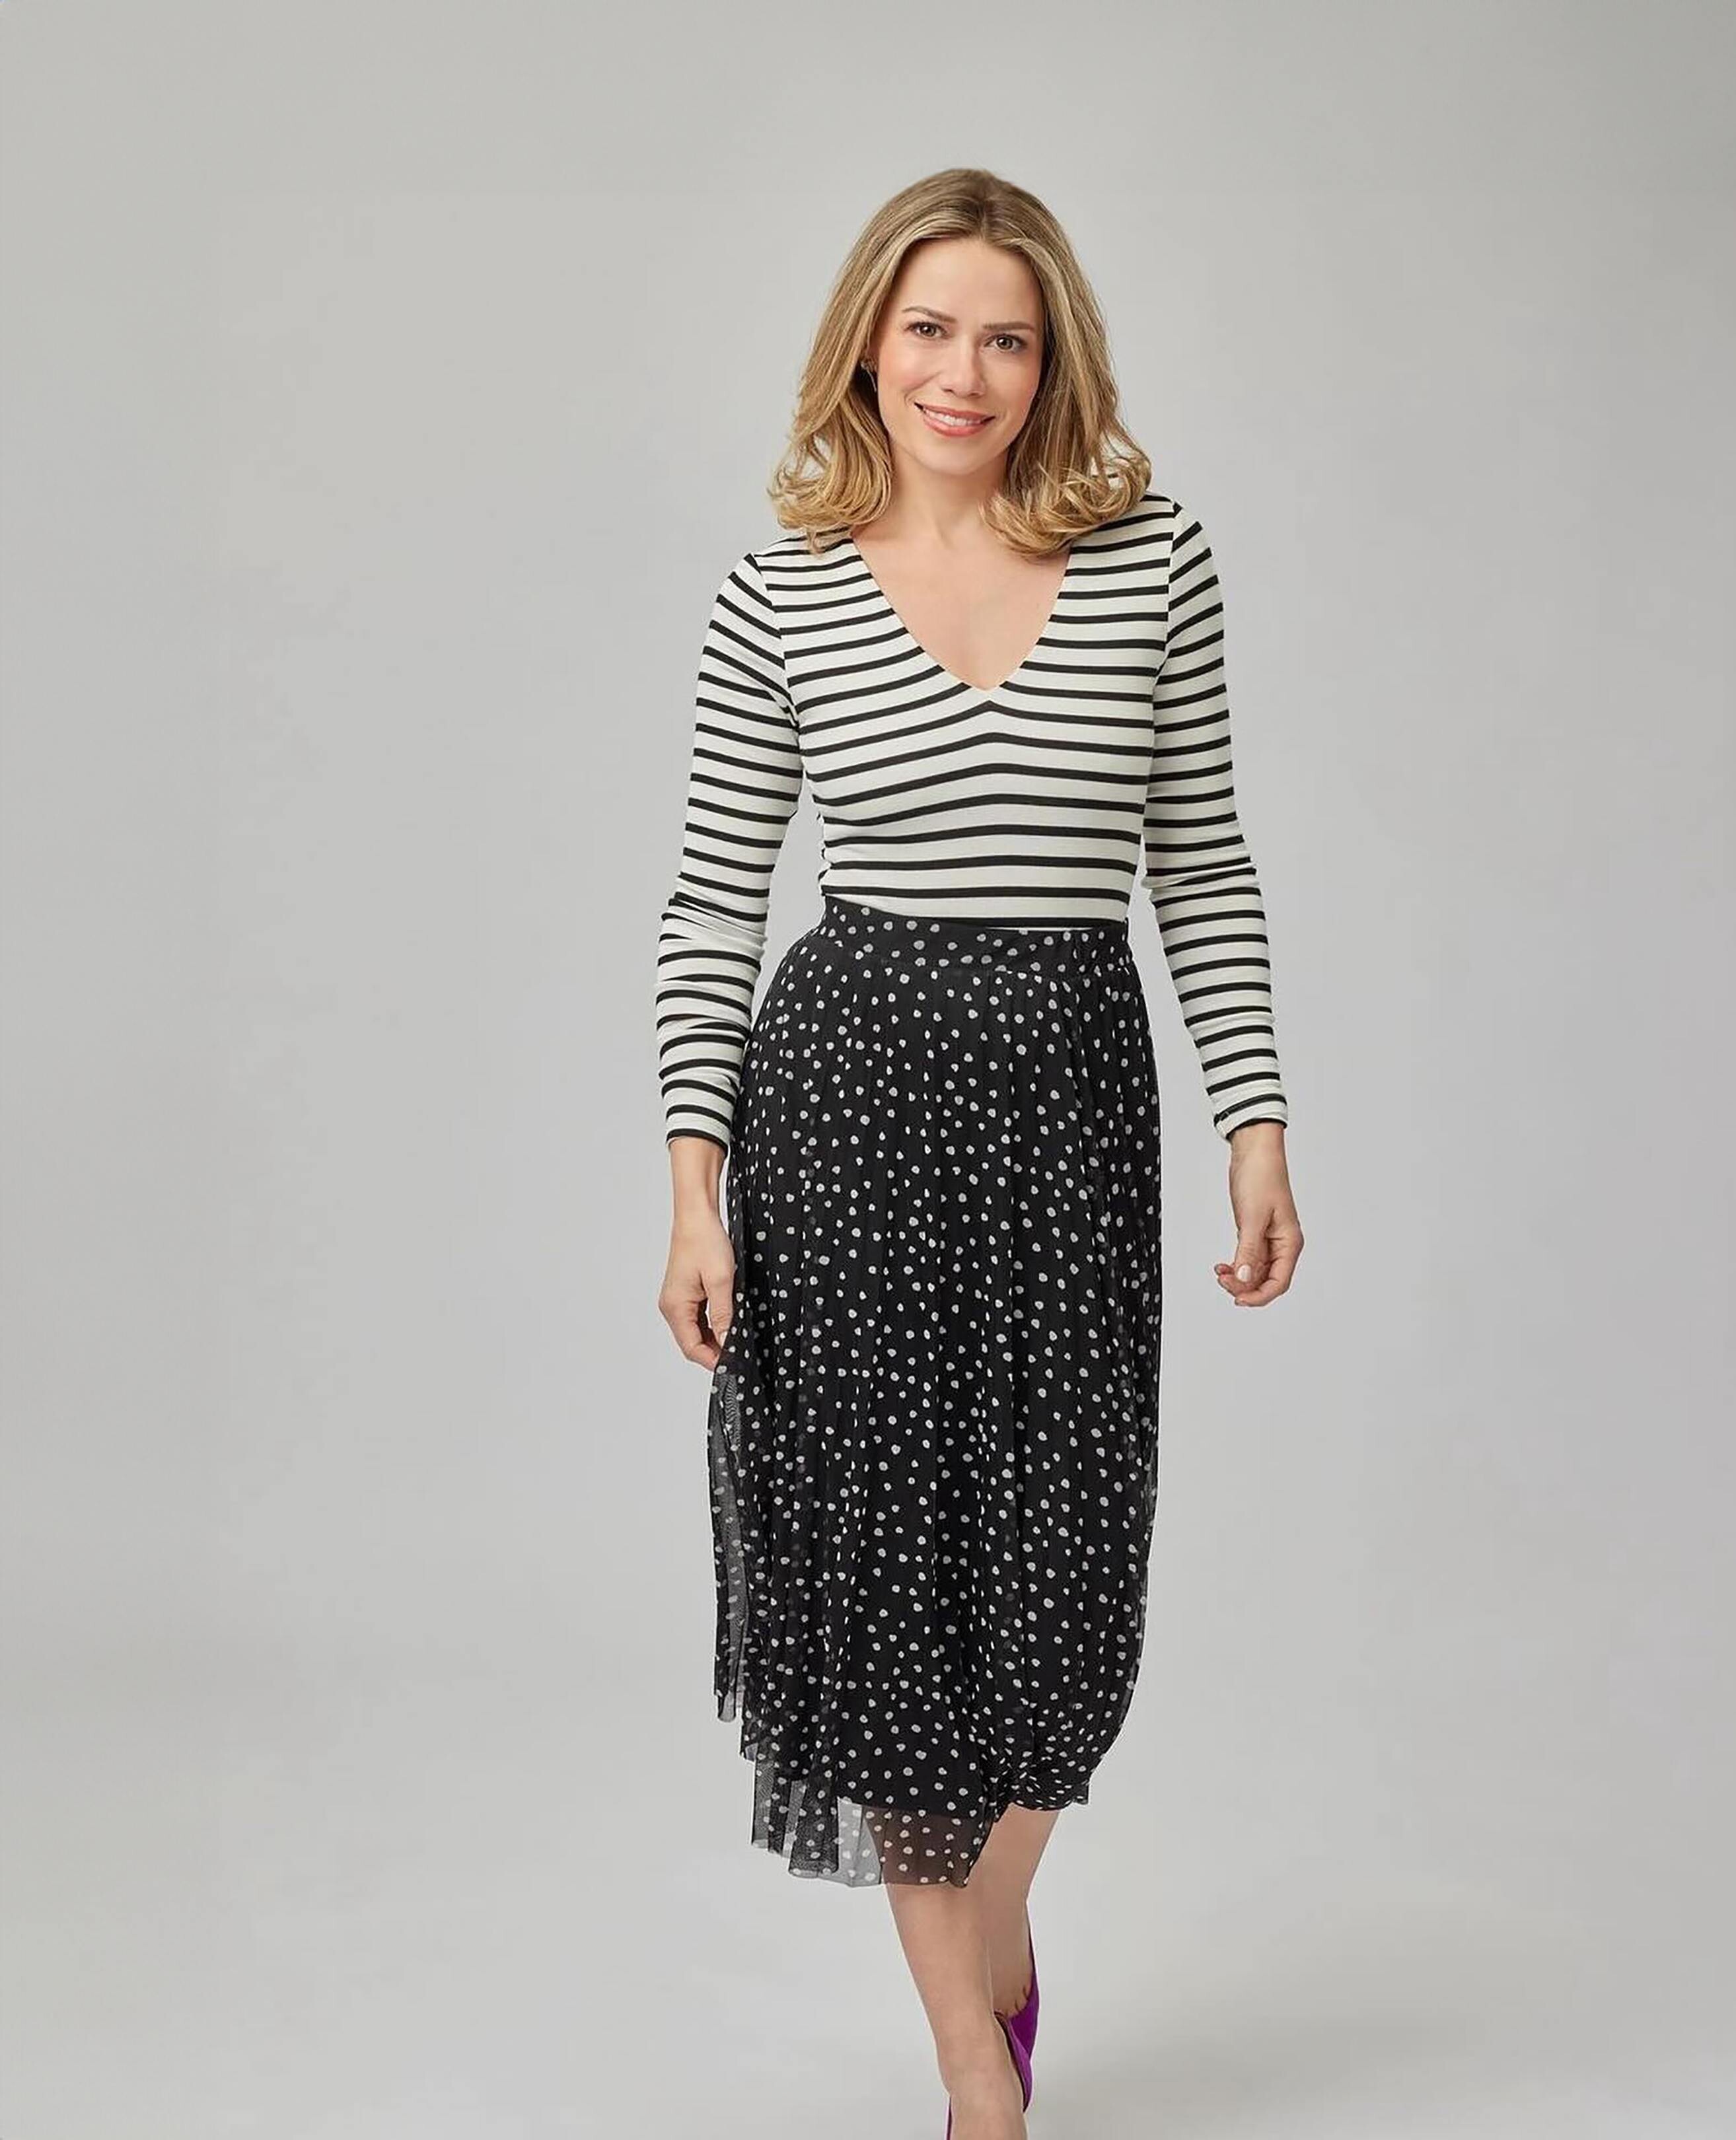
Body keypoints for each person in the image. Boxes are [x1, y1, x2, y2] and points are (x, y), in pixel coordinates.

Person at [653, 166, 1304, 2140]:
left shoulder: (1153, 559)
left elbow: (1202, 860)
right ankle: (977, 2080)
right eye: (929, 328)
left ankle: (989, 1938)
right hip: (844, 1125)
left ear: (1053, 360)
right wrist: (694, 1191)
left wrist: (1257, 1120)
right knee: (883, 1602)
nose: (964, 371)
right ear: (867, 341)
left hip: (1074, 1122)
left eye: (1005, 338)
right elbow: (712, 900)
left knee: (1062, 1599)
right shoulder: (781, 586)